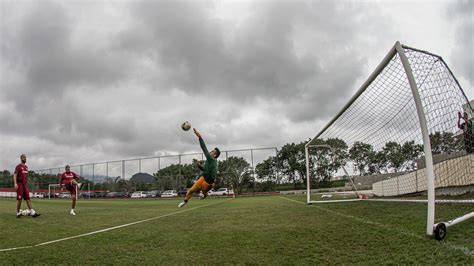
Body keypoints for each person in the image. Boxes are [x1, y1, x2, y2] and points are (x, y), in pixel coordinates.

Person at [178, 128, 220, 207]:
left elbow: (204, 148)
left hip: (209, 183)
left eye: (213, 151)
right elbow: (205, 170)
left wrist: (199, 136)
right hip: (203, 177)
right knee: (191, 190)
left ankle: (204, 195)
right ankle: (185, 201)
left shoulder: (212, 159)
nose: (211, 151)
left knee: (203, 193)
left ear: (215, 155)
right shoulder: (209, 160)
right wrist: (199, 166)